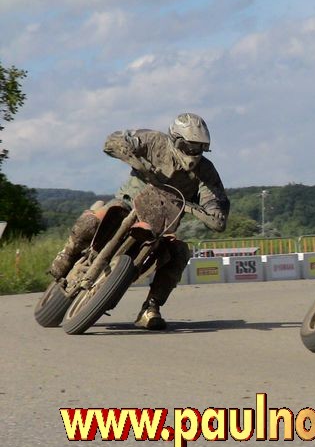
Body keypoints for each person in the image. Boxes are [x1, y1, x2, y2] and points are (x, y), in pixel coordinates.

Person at [49, 113, 230, 330]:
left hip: (163, 224)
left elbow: (214, 198)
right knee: (99, 216)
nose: (194, 152)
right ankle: (67, 253)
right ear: (176, 139)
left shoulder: (206, 171)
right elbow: (115, 140)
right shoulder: (154, 141)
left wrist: (215, 212)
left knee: (180, 252)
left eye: (200, 147)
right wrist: (129, 153)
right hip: (128, 203)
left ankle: (150, 307)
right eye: (190, 146)